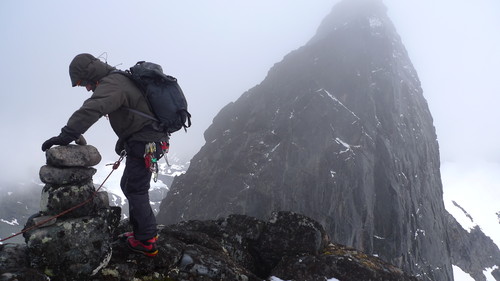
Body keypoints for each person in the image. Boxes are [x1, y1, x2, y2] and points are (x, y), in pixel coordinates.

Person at [41, 53, 169, 257]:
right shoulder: (119, 80)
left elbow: (93, 108)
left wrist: (66, 135)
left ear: (90, 74)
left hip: (146, 144)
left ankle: (146, 241)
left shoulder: (113, 83)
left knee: (135, 189)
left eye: (84, 83)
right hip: (147, 142)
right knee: (129, 185)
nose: (88, 88)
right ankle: (142, 233)